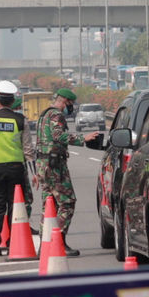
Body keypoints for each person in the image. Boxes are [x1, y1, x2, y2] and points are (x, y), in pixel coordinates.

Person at [35, 88, 100, 257]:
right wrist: (82, 139)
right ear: (65, 101)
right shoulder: (57, 115)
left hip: (43, 163)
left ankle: (45, 244)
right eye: (70, 104)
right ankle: (58, 241)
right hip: (54, 165)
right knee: (67, 202)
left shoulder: (44, 115)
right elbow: (58, 136)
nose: (70, 107)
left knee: (49, 205)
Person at [0, 81, 35, 257]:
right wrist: (34, 173)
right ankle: (11, 241)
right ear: (12, 101)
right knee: (15, 204)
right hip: (17, 169)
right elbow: (28, 149)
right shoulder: (20, 120)